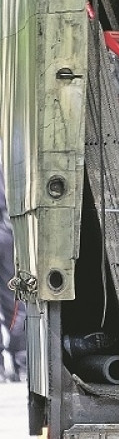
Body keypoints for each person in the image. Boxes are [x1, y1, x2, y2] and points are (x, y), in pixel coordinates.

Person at [0, 154, 27, 383]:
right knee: (14, 301)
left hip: (7, 233)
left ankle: (17, 361)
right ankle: (21, 361)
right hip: (8, 232)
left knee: (14, 301)